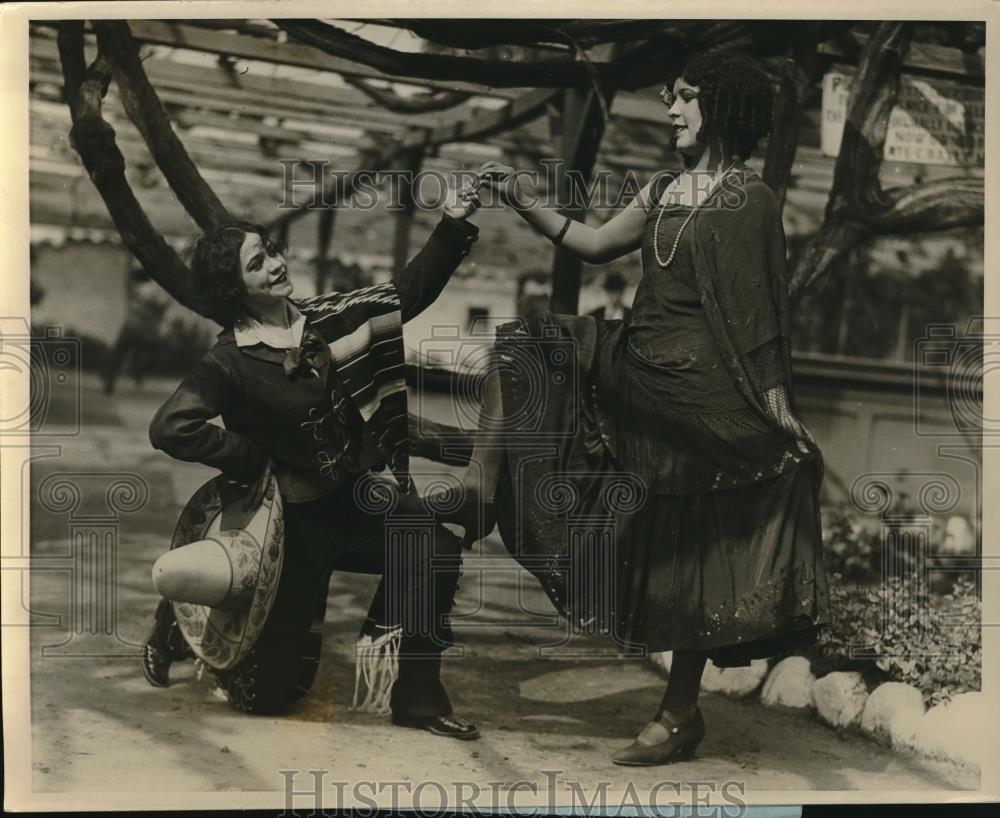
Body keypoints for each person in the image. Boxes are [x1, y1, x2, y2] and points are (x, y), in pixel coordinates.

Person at [432, 51, 830, 764]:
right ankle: (482, 488)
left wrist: (775, 407)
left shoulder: (754, 198)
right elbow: (590, 244)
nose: (672, 111)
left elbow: (764, 313)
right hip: (636, 364)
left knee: (686, 551)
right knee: (531, 340)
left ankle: (679, 715)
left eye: (685, 98)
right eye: (670, 98)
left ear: (724, 109)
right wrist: (521, 193)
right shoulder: (663, 186)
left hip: (701, 398)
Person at [142, 177, 483, 740]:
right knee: (274, 696)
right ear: (235, 288)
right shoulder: (229, 361)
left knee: (434, 547)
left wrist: (453, 219)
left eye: (271, 251)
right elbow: (170, 427)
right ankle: (178, 622)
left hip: (350, 500)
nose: (276, 264)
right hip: (286, 524)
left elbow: (407, 292)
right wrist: (249, 459)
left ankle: (419, 698)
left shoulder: (331, 319)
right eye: (258, 264)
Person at [103, 267, 171, 395]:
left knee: (119, 354)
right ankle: (137, 371)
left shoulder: (136, 288)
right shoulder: (154, 290)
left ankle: (110, 382)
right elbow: (162, 305)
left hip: (131, 325)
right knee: (146, 351)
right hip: (146, 328)